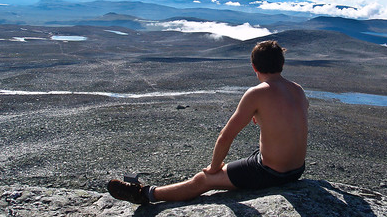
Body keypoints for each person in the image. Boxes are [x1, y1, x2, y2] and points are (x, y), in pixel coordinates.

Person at [108, 40, 309, 204]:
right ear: (281, 65)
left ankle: (145, 194)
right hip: (297, 170)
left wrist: (213, 169)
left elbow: (226, 137)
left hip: (272, 173)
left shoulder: (257, 93)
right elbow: (290, 121)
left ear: (254, 67)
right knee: (251, 156)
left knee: (203, 180)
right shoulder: (297, 89)